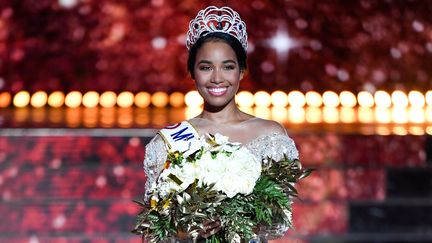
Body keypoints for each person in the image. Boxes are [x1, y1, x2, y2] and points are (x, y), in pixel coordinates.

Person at [143, 6, 299, 242]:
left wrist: (230, 218)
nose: (217, 78)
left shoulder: (270, 136)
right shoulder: (167, 143)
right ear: (192, 73)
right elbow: (152, 231)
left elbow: (279, 220)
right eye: (206, 67)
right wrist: (184, 230)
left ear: (242, 71)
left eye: (228, 66)